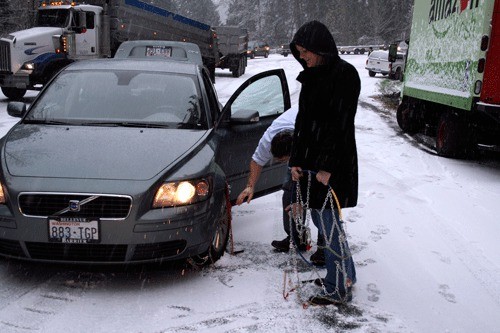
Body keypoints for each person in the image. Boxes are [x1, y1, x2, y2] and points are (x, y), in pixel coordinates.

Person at [289, 20, 360, 305]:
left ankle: (338, 286)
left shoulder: (345, 75)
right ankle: (344, 274)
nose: (302, 57)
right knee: (321, 219)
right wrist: (295, 159)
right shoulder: (310, 75)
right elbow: (302, 122)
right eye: (299, 52)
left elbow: (340, 124)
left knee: (330, 225)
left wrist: (327, 166)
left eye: (305, 51)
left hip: (333, 165)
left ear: (320, 47)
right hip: (310, 165)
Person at [236, 106, 325, 265]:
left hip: (319, 150)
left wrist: (305, 195)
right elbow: (256, 161)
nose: (283, 164)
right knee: (290, 194)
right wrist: (250, 186)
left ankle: (324, 248)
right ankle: (296, 238)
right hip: (298, 143)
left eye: (285, 160)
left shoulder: (310, 133)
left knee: (321, 200)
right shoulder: (268, 139)